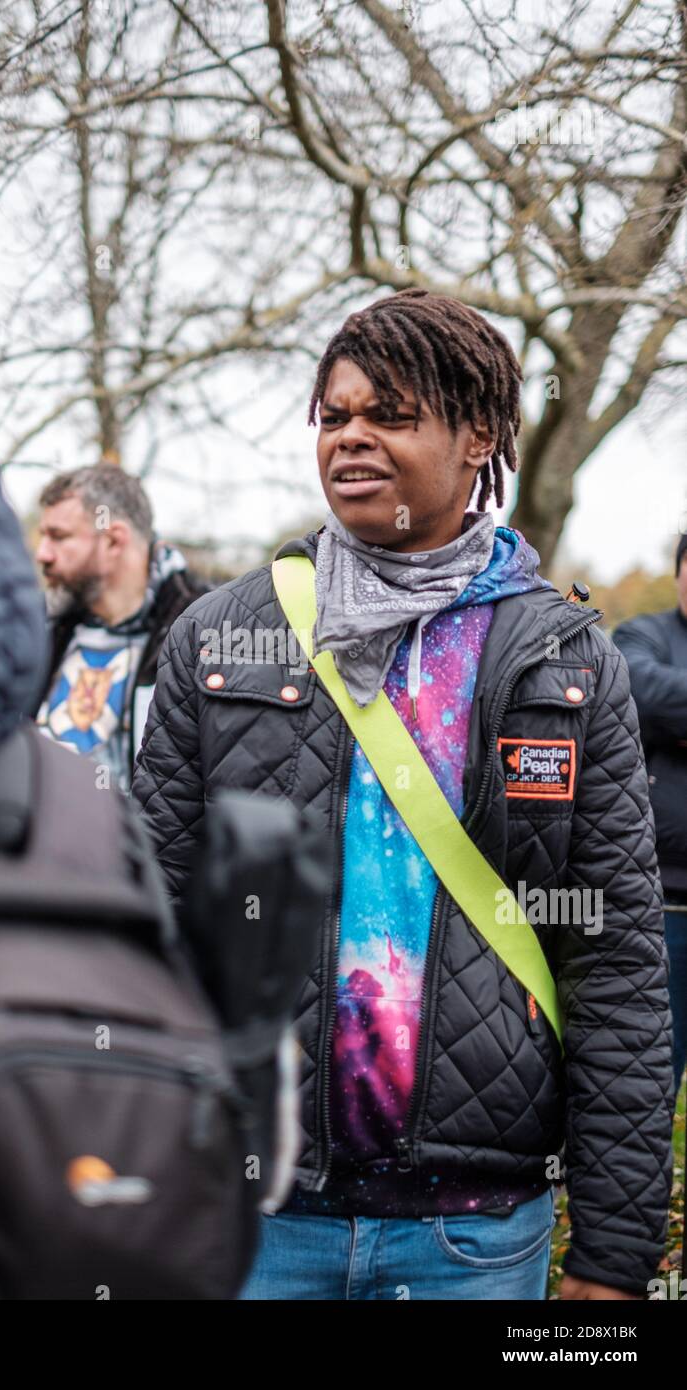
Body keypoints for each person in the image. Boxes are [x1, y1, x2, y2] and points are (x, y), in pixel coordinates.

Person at [132, 287, 674, 1301]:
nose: (349, 439)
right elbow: (146, 930)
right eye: (333, 416)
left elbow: (614, 969)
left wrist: (611, 1257)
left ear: (478, 437)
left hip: (468, 1234)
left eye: (389, 414)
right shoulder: (218, 638)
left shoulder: (563, 662)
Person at [33, 466, 208, 792]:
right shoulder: (44, 625)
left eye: (58, 537)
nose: (42, 554)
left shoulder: (204, 633)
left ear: (114, 540)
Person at [614, 536, 687, 1096]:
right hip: (665, 903)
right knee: (651, 1070)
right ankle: (643, 1180)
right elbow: (644, 691)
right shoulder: (643, 636)